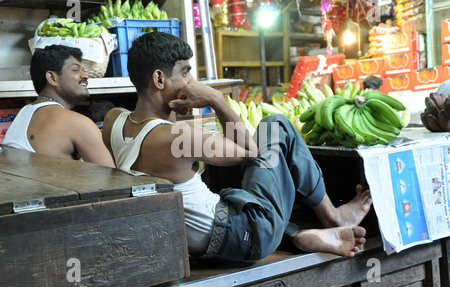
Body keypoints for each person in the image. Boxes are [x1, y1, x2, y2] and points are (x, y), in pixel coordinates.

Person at [102, 32, 373, 262]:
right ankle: (334, 217)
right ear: (159, 80)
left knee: (225, 187)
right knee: (275, 125)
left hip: (197, 249)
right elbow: (252, 152)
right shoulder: (180, 138)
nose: (192, 81)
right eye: (185, 73)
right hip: (248, 237)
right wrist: (217, 100)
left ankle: (294, 235)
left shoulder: (114, 121)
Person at [3, 45, 115, 168]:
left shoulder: (24, 112)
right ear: (52, 78)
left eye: (84, 71)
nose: (85, 76)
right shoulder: (78, 123)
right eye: (76, 70)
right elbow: (113, 181)